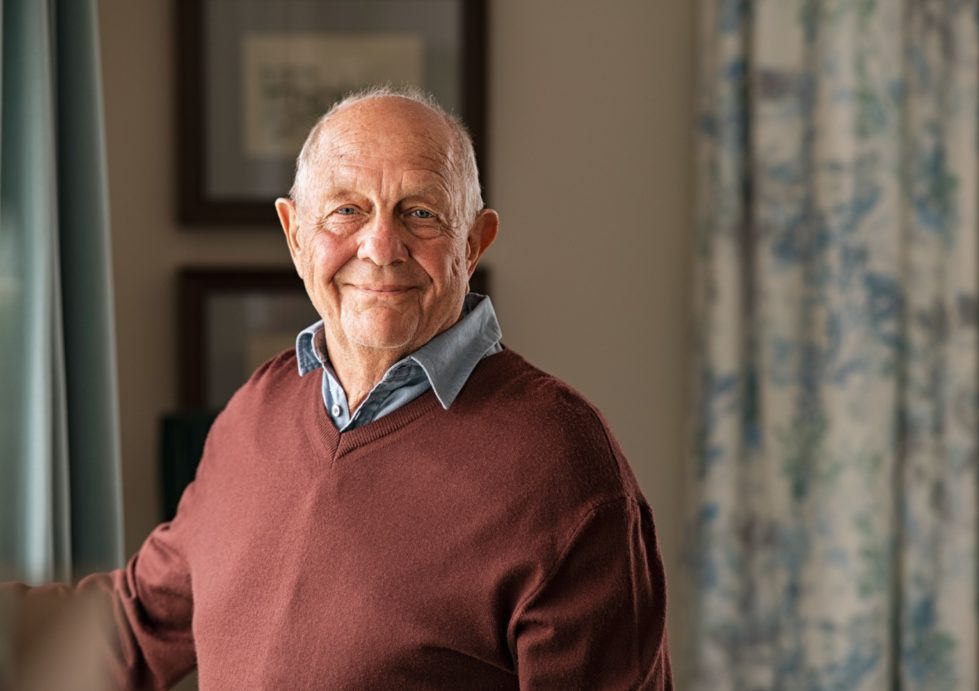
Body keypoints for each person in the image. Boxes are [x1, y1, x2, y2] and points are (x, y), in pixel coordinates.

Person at [4, 86, 671, 689]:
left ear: (474, 242)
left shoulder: (564, 463)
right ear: (295, 235)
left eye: (420, 213)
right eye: (347, 210)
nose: (381, 246)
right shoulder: (257, 409)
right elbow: (136, 620)